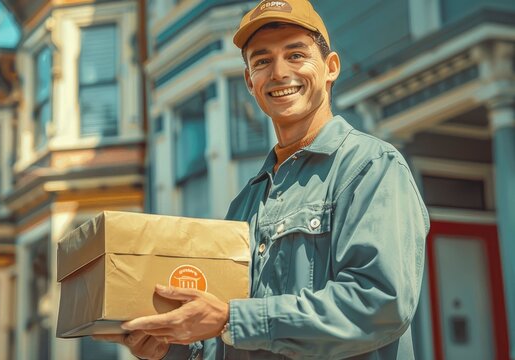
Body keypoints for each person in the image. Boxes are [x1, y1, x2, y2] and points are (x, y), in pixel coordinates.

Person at [95, 0, 429, 358]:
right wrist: (166, 347)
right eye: (262, 61)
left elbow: (378, 304)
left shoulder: (370, 167)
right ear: (250, 82)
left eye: (296, 54)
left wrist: (232, 319)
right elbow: (223, 337)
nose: (280, 72)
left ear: (331, 68)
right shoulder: (245, 204)